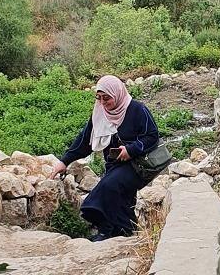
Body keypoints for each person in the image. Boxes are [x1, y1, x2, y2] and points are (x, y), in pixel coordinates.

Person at [50, 75, 159, 241]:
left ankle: (104, 229)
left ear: (117, 94)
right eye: (98, 98)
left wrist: (130, 149)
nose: (102, 102)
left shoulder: (137, 109)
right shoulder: (100, 113)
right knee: (123, 201)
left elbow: (152, 136)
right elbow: (85, 141)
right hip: (114, 165)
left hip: (136, 165)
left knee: (108, 187)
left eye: (106, 98)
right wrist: (64, 161)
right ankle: (125, 235)